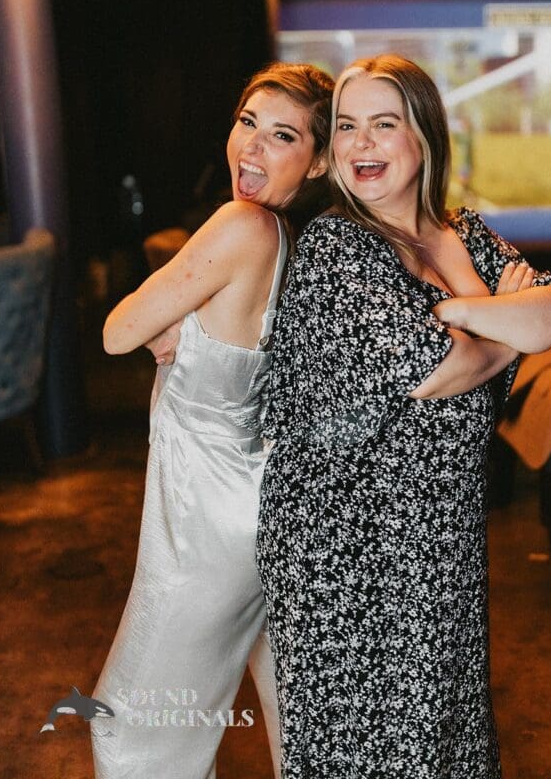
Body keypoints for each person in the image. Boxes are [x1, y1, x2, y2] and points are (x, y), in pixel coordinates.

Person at [257, 54, 551, 779]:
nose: (361, 144)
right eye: (346, 127)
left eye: (383, 124)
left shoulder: (464, 232)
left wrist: (455, 312)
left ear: (424, 136)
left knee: (447, 740)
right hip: (344, 548)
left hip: (440, 537)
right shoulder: (337, 247)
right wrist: (499, 321)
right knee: (375, 752)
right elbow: (436, 371)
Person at [91, 62, 333, 779]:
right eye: (247, 122)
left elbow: (116, 331)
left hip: (205, 525)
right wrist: (182, 318)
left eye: (282, 135)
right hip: (253, 506)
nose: (251, 146)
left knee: (131, 728)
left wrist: (168, 320)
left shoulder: (241, 225)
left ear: (318, 161)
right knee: (290, 717)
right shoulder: (291, 243)